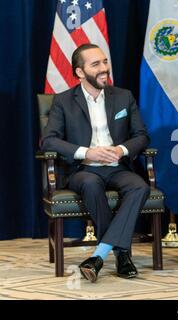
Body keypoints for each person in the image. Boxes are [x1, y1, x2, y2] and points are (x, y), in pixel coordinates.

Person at [42, 43, 151, 283]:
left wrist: (121, 150)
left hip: (118, 167)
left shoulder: (123, 96)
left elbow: (141, 136)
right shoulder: (63, 101)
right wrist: (86, 153)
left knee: (140, 186)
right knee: (91, 184)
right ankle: (123, 255)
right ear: (80, 72)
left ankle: (99, 255)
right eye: (96, 64)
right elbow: (48, 142)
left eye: (105, 62)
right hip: (83, 170)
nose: (104, 68)